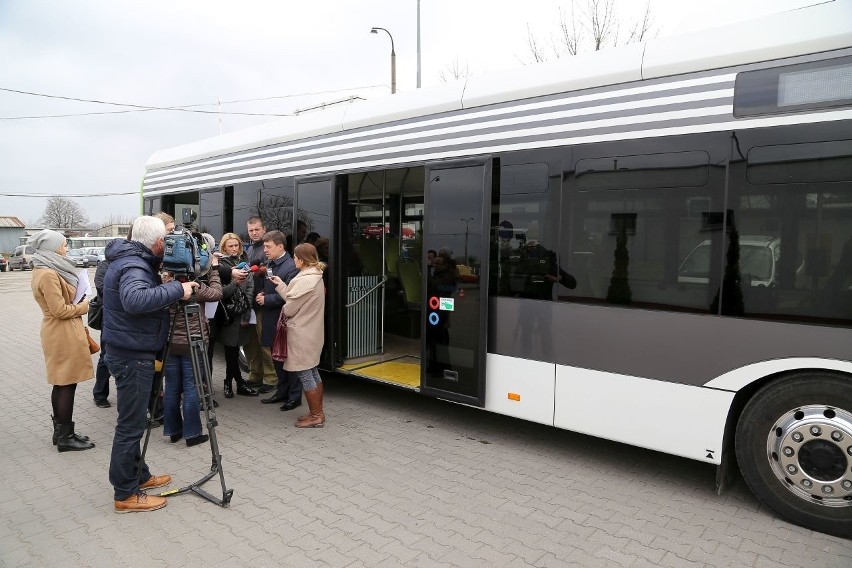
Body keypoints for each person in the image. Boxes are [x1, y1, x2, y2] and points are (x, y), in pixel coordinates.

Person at [102, 216, 199, 513]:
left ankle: (139, 477)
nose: (169, 245)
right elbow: (134, 300)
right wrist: (177, 291)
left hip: (128, 350)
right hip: (132, 356)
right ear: (157, 243)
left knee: (134, 423)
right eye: (167, 240)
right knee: (130, 427)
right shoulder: (134, 265)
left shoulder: (131, 259)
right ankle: (125, 493)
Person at [29, 229, 96, 452]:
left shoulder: (45, 269)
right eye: (63, 245)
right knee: (67, 382)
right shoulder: (47, 273)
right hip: (62, 331)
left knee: (62, 382)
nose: (66, 248)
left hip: (60, 330)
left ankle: (62, 431)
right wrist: (84, 306)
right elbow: (58, 310)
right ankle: (66, 437)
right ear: (53, 248)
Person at [161, 249, 222, 447]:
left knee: (171, 388)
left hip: (171, 344)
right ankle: (193, 433)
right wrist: (213, 270)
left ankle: (173, 431)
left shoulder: (165, 286)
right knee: (191, 387)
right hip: (193, 343)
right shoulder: (195, 287)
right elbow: (217, 293)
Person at [267, 242, 327, 427]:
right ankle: (318, 412)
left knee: (305, 374)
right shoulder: (315, 276)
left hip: (301, 334)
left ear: (301, 259)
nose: (293, 260)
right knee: (313, 372)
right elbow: (297, 298)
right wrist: (282, 286)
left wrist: (284, 305)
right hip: (312, 333)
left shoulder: (304, 280)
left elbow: (290, 308)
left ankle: (316, 416)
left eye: (295, 257)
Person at [256, 230, 301, 410]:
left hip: (283, 321)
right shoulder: (270, 263)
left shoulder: (291, 267)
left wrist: (267, 299)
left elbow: (291, 296)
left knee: (289, 360)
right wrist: (262, 294)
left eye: (268, 246)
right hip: (271, 319)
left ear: (280, 247)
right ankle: (282, 392)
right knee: (277, 358)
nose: (265, 250)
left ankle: (295, 396)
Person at [217, 233, 258, 398]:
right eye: (230, 246)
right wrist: (236, 282)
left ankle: (236, 382)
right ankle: (232, 382)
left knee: (236, 348)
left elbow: (250, 288)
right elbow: (221, 292)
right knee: (230, 350)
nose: (234, 249)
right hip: (228, 314)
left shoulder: (245, 263)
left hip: (242, 312)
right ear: (224, 248)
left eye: (236, 245)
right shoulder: (221, 266)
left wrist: (246, 310)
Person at [244, 216, 277, 391]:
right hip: (249, 304)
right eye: (251, 230)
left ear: (264, 229)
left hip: (263, 304)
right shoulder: (248, 251)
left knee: (265, 343)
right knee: (250, 344)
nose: (254, 233)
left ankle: (271, 378)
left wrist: (262, 272)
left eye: (257, 229)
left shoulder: (267, 249)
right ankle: (254, 375)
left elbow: (272, 274)